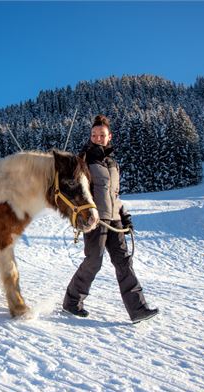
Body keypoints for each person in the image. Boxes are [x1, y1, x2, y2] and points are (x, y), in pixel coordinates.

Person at [63, 115, 159, 324]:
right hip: (94, 220)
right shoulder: (84, 160)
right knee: (93, 261)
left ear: (109, 137)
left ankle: (138, 309)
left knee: (124, 262)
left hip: (114, 220)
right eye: (94, 135)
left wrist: (124, 217)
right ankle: (72, 301)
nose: (98, 138)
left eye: (102, 135)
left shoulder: (113, 164)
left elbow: (115, 195)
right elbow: (77, 190)